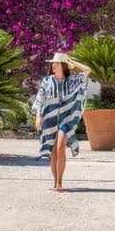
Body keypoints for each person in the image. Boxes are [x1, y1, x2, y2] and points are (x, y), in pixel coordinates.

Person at [31, 52, 91, 191]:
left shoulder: (72, 80)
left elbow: (87, 70)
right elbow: (40, 99)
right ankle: (55, 181)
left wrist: (71, 61)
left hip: (67, 119)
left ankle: (60, 182)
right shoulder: (47, 81)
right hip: (49, 119)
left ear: (63, 66)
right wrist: (38, 116)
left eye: (57, 63)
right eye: (53, 63)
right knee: (53, 151)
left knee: (60, 147)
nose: (54, 65)